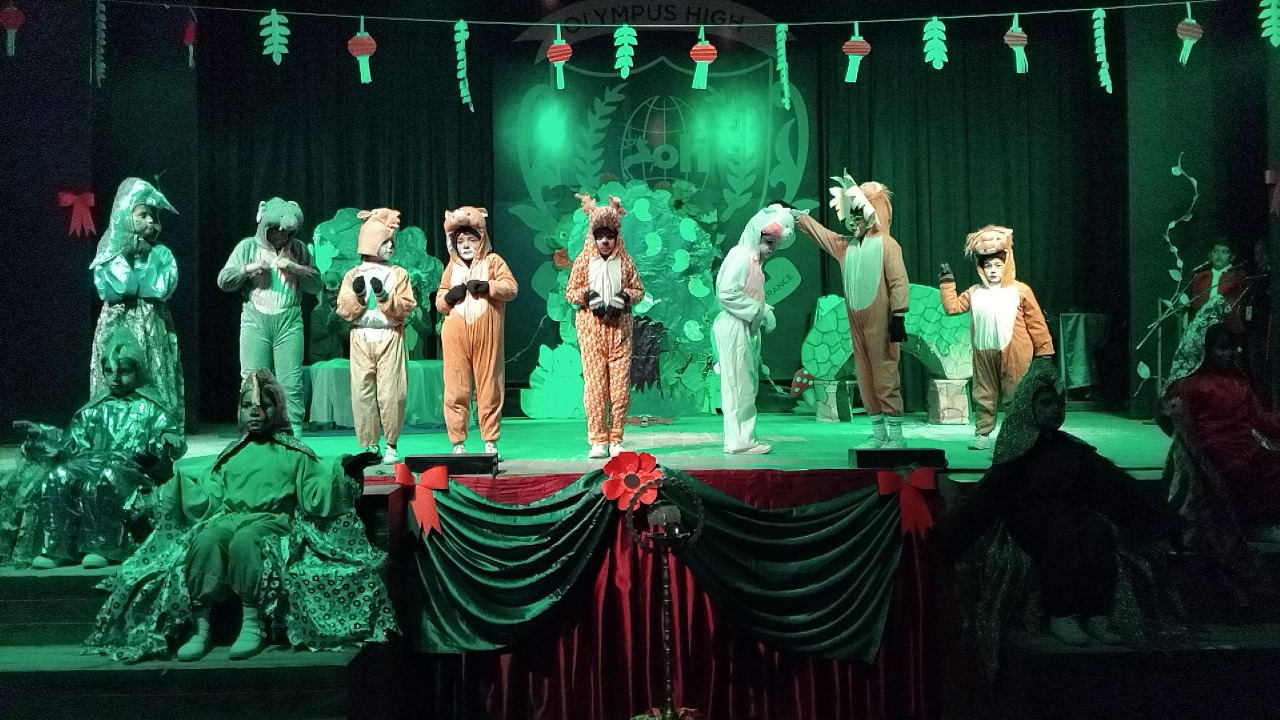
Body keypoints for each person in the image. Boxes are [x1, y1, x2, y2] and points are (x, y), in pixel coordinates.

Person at [85, 370, 393, 663]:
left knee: (246, 541)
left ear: (277, 408)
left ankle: (251, 621)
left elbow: (317, 494)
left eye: (264, 405)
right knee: (206, 540)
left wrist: (346, 470)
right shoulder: (231, 455)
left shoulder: (294, 453)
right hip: (229, 517)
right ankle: (202, 625)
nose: (255, 412)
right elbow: (208, 498)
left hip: (271, 520)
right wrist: (171, 477)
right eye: (247, 406)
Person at [936, 358, 1180, 648]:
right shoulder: (1017, 453)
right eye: (1046, 403)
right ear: (1027, 406)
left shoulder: (1071, 449)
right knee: (1059, 536)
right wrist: (949, 536)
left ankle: (1096, 615)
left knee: (1097, 530)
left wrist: (1163, 519)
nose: (1055, 410)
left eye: (1060, 404)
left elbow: (1115, 485)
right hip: (1029, 517)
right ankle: (1062, 614)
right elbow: (985, 498)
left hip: (1067, 514)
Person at [2, 329, 185, 568]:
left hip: (130, 468)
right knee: (59, 475)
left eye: (123, 372)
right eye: (109, 371)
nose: (115, 378)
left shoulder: (151, 408)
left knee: (105, 478)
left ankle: (103, 546)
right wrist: (43, 434)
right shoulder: (94, 409)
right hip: (93, 462)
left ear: (138, 371)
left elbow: (163, 438)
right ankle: (57, 547)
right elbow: (71, 443)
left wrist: (166, 437)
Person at [793, 174, 910, 448]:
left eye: (859, 216)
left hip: (881, 322)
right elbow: (822, 235)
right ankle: (879, 433)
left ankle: (896, 435)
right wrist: (799, 216)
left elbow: (898, 280)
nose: (853, 222)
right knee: (864, 375)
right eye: (851, 217)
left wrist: (898, 315)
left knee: (884, 373)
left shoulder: (887, 245)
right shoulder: (846, 247)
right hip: (857, 323)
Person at [1162, 298, 1280, 535]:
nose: (1230, 354)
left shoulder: (1238, 381)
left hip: (1245, 444)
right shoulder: (1190, 385)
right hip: (1212, 447)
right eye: (1222, 347)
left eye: (1233, 347)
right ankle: (1237, 526)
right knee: (1237, 469)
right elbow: (1173, 420)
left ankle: (1256, 524)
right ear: (1202, 348)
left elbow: (1260, 417)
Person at [939, 225, 1054, 450]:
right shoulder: (975, 292)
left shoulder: (1020, 290)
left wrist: (1044, 351)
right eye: (988, 265)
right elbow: (952, 307)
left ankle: (1016, 434)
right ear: (981, 268)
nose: (993, 270)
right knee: (984, 394)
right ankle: (983, 434)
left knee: (1016, 393)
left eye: (998, 265)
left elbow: (1036, 323)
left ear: (1007, 264)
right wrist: (947, 283)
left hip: (1015, 351)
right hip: (984, 352)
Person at [217, 197, 321, 434]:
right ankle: (252, 434)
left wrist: (295, 268)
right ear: (265, 227)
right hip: (256, 320)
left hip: (288, 321)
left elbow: (317, 284)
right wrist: (249, 268)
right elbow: (224, 280)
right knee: (253, 380)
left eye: (286, 232)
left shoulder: (298, 249)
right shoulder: (248, 247)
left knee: (290, 383)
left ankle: (293, 435)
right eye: (275, 230)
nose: (280, 236)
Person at [89, 177, 184, 429]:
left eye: (152, 215)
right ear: (125, 215)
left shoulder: (160, 253)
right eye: (143, 215)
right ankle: (112, 430)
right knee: (118, 370)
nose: (150, 220)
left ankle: (156, 431)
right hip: (117, 321)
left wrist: (145, 258)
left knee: (151, 371)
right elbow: (118, 289)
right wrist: (125, 257)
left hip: (150, 321)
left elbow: (161, 288)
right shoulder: (108, 252)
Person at [565, 194, 646, 458]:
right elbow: (570, 292)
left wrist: (624, 297)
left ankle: (616, 438)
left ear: (616, 236)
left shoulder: (626, 261)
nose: (605, 241)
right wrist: (588, 296)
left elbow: (639, 290)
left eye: (609, 236)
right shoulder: (583, 261)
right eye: (600, 236)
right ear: (593, 236)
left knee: (620, 389)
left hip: (620, 332)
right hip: (592, 332)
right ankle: (598, 439)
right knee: (596, 388)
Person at [336, 209, 416, 464]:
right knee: (362, 392)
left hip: (389, 334)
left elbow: (406, 305)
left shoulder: (398, 274)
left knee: (392, 392)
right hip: (361, 336)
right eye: (384, 242)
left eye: (392, 243)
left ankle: (391, 443)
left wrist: (384, 297)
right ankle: (369, 444)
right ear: (370, 243)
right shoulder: (353, 274)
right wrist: (360, 297)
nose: (390, 247)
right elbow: (344, 309)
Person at [437, 206, 518, 458]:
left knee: (490, 386)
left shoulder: (493, 262)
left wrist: (488, 286)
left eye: (471, 239)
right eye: (460, 240)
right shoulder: (451, 268)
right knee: (456, 388)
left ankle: (490, 441)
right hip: (455, 335)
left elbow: (511, 288)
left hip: (487, 335)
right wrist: (448, 297)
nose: (465, 245)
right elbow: (440, 299)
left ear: (481, 239)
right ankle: (458, 442)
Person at [712, 205, 794, 455]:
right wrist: (757, 311)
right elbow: (727, 293)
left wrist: (764, 310)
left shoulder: (753, 260)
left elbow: (749, 293)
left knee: (746, 385)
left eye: (775, 245)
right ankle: (740, 441)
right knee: (739, 386)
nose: (770, 249)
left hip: (744, 326)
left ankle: (743, 438)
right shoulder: (740, 256)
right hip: (735, 325)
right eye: (768, 242)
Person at [1186, 239, 1246, 316]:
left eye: (1224, 252)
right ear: (1209, 255)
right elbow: (1194, 305)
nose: (1219, 256)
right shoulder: (1200, 276)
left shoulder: (1238, 276)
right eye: (1215, 251)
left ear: (1232, 257)